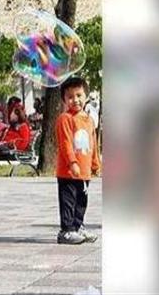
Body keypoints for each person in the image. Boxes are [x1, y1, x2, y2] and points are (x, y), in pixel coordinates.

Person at [55, 77, 101, 245]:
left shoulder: (88, 120)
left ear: (86, 96)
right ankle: (66, 230)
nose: (75, 100)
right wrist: (72, 162)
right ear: (64, 100)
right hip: (68, 172)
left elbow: (93, 143)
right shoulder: (65, 119)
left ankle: (78, 225)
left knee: (82, 201)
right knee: (68, 201)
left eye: (79, 95)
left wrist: (95, 163)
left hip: (84, 171)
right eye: (70, 97)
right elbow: (65, 142)